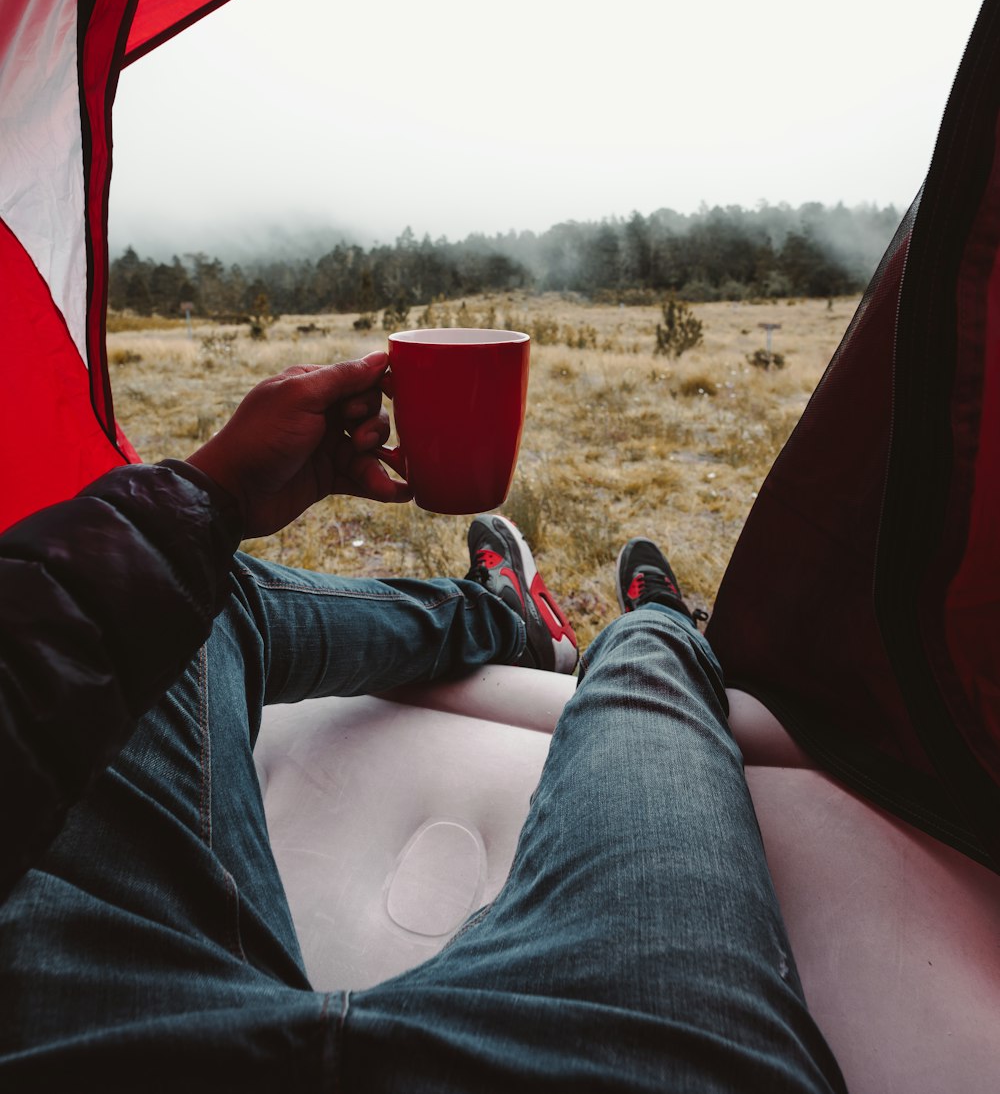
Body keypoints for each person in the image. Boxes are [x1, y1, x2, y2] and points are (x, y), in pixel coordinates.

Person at [0, 351, 847, 1092]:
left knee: (194, 600)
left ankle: (509, 621)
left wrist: (213, 496)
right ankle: (654, 624)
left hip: (63, 1038)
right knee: (643, 686)